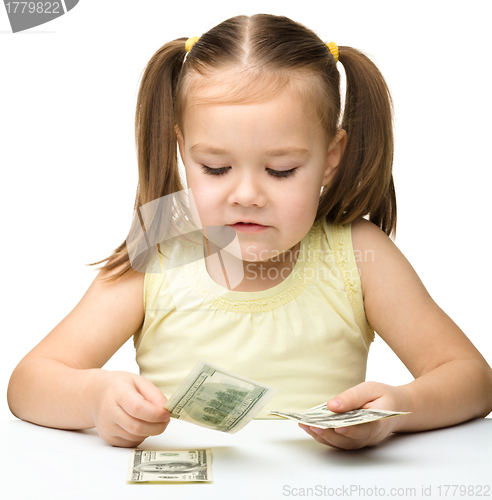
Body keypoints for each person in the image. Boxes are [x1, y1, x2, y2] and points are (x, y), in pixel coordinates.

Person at [7, 14, 492, 451]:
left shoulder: (357, 250)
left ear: (331, 157)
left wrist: (397, 410)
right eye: (215, 167)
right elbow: (29, 383)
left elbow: (473, 380)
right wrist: (94, 398)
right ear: (183, 149)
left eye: (280, 170)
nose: (246, 195)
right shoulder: (162, 239)